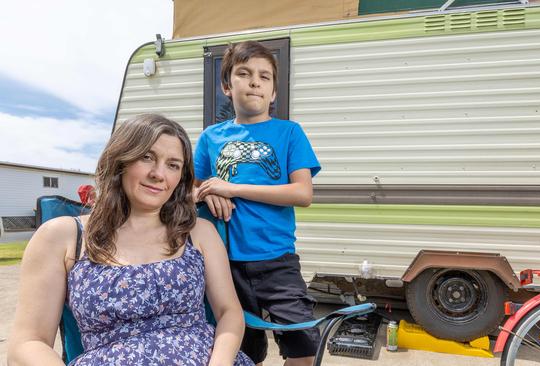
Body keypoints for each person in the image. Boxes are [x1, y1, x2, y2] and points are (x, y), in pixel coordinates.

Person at [8, 114, 254, 366]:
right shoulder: (62, 236)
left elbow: (229, 312)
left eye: (173, 165)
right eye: (147, 157)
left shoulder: (198, 232)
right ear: (120, 160)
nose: (159, 174)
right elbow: (27, 344)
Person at [194, 41, 321, 366]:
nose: (255, 82)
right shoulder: (211, 137)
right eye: (244, 73)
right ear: (226, 86)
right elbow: (190, 191)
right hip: (225, 265)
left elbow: (301, 194)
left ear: (274, 92)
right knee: (243, 353)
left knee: (303, 347)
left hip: (277, 261)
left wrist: (233, 189)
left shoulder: (289, 132)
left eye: (264, 77)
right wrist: (210, 192)